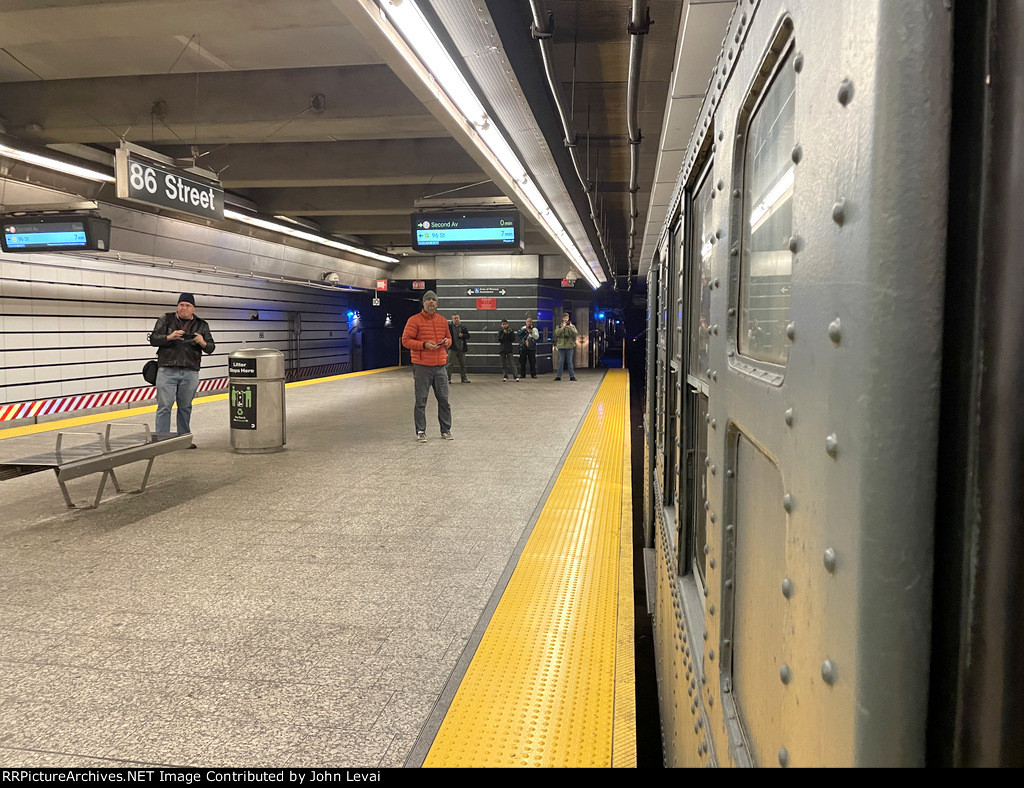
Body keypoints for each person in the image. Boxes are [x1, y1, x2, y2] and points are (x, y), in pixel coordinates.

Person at [149, 293, 216, 445]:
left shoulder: (202, 325)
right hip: (167, 369)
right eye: (181, 305)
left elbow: (211, 348)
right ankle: (162, 440)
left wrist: (202, 342)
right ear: (177, 306)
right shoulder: (165, 319)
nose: (184, 308)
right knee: (164, 406)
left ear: (193, 309)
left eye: (188, 305)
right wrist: (169, 337)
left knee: (185, 406)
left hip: (190, 370)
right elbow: (153, 339)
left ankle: (184, 439)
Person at [401, 290, 453, 442]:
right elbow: (406, 341)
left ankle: (446, 429)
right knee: (421, 401)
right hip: (422, 366)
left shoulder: (442, 320)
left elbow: (449, 338)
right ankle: (421, 431)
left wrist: (447, 342)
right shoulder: (414, 320)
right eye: (428, 300)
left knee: (444, 400)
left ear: (437, 303)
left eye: (434, 300)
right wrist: (424, 345)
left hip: (440, 366)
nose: (431, 302)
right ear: (423, 303)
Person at [553, 312, 579, 381]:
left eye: (567, 318)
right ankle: (558, 376)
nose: (566, 319)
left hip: (569, 346)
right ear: (562, 318)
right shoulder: (559, 326)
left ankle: (572, 376)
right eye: (564, 318)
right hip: (561, 346)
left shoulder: (572, 326)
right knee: (561, 361)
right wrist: (563, 327)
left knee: (570, 362)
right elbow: (556, 333)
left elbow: (575, 334)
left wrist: (571, 328)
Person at [446, 313, 471, 383]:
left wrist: (463, 335)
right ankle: (448, 379)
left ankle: (464, 378)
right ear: (452, 319)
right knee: (450, 364)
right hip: (452, 348)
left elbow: (468, 336)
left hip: (461, 348)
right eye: (454, 318)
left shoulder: (463, 327)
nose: (456, 319)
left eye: (457, 318)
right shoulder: (449, 327)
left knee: (462, 364)